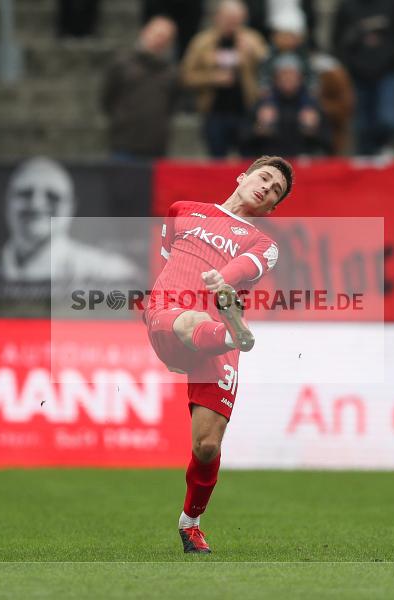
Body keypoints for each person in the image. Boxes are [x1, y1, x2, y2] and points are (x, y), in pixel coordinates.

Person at [144, 155, 293, 554]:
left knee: (207, 446)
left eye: (275, 191)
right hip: (170, 313)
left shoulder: (265, 244)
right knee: (190, 318)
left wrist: (220, 280)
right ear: (242, 177)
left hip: (215, 322)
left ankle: (190, 522)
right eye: (264, 178)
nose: (266, 188)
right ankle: (232, 335)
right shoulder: (184, 212)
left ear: (272, 208)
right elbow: (166, 257)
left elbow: (243, 269)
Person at [0, 157, 139, 295]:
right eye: (25, 194)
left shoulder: (110, 273)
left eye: (52, 196)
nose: (36, 205)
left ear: (71, 207)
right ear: (6, 202)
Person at [182, 0, 268, 158]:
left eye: (237, 20)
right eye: (229, 19)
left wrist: (252, 51)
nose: (233, 24)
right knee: (217, 161)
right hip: (214, 111)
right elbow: (186, 76)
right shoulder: (202, 42)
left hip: (246, 110)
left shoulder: (252, 39)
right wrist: (212, 78)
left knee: (248, 162)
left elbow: (268, 67)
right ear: (218, 17)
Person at [333, 0, 394, 157]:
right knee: (362, 120)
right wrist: (351, 63)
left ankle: (382, 148)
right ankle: (365, 154)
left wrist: (391, 58)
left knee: (387, 118)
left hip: (385, 71)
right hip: (358, 73)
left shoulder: (393, 5)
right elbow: (337, 39)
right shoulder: (347, 6)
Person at [101, 17, 181, 159]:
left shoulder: (171, 72)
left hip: (156, 146)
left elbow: (172, 104)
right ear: (145, 33)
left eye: (165, 37)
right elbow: (108, 99)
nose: (160, 40)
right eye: (157, 35)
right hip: (124, 143)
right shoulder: (122, 64)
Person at [247, 54, 332, 156]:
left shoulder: (312, 105)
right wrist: (260, 128)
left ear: (300, 78)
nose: (288, 78)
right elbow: (243, 138)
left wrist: (313, 131)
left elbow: (328, 141)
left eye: (292, 74)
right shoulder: (263, 104)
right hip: (271, 162)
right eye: (283, 74)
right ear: (276, 78)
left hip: (304, 162)